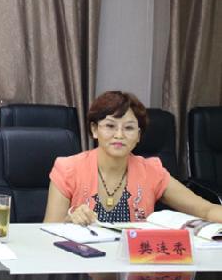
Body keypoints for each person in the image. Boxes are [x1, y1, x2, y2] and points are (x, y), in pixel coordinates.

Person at [44, 90, 222, 225]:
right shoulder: (68, 169)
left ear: (138, 135)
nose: (119, 135)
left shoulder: (152, 172)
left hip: (135, 262)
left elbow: (205, 210)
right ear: (95, 130)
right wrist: (69, 222)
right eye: (110, 126)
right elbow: (48, 232)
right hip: (81, 261)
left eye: (128, 128)